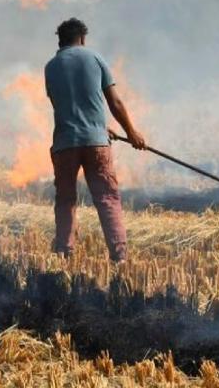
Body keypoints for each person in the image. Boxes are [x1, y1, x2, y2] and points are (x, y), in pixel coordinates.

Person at [44, 18, 146, 262]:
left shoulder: (50, 66)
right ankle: (120, 257)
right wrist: (131, 132)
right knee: (107, 198)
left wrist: (101, 127)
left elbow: (62, 104)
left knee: (66, 199)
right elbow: (115, 102)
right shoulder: (94, 58)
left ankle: (64, 253)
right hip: (95, 143)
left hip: (65, 143)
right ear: (82, 38)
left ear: (60, 41)